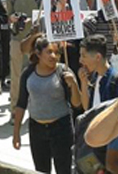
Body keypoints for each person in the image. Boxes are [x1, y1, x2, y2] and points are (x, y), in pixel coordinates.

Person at [13, 36, 81, 174]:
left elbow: (77, 103)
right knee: (41, 170)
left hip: (61, 129)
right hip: (36, 129)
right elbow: (21, 103)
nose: (54, 56)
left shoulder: (64, 72)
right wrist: (16, 133)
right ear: (38, 54)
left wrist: (73, 84)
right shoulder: (28, 73)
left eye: (57, 53)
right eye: (49, 52)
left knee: (64, 170)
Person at [5, 0, 40, 112]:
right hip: (17, 37)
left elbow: (43, 12)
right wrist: (12, 18)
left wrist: (31, 20)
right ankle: (15, 109)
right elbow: (8, 16)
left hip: (35, 38)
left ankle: (36, 108)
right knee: (16, 75)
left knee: (36, 72)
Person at [79, 34, 118, 111]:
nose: (80, 60)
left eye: (84, 56)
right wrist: (84, 83)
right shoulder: (95, 77)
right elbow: (87, 108)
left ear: (98, 57)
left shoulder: (115, 81)